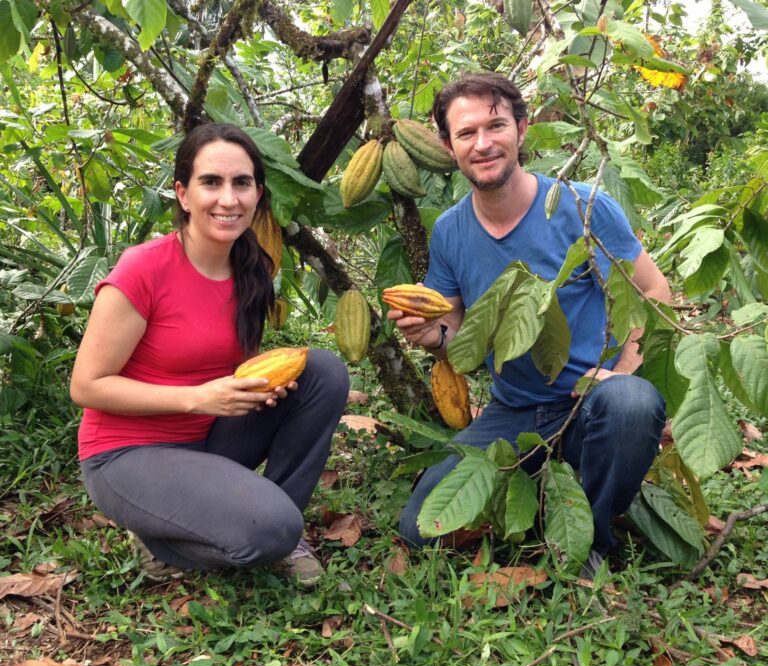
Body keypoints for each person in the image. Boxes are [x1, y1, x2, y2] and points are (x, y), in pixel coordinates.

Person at [390, 73, 671, 577]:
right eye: (466, 133)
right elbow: (458, 339)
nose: (483, 143)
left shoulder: (580, 207)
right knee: (419, 527)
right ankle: (545, 489)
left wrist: (624, 370)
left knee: (631, 401)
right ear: (447, 147)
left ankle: (592, 540)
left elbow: (654, 291)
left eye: (495, 125)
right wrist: (432, 336)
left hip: (589, 402)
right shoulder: (451, 231)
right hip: (513, 410)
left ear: (520, 129)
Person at [70, 123, 349, 587]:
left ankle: (277, 530)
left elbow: (240, 366)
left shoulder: (253, 266)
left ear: (258, 194)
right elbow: (86, 386)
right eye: (211, 182)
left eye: (241, 183)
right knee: (272, 528)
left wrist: (264, 391)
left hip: (209, 440)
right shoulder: (144, 268)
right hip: (127, 454)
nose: (228, 198)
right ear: (183, 194)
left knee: (324, 372)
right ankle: (163, 538)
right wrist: (197, 398)